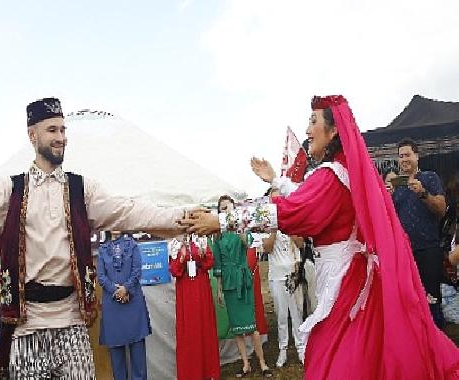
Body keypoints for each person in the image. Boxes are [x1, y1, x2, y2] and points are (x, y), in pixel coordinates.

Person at [182, 95, 459, 379]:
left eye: (313, 121)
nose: (306, 130)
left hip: (343, 280)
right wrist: (276, 181)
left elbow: (291, 211)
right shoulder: (345, 172)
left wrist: (221, 220)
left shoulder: (331, 175)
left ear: (334, 131)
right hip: (351, 274)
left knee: (338, 359)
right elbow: (306, 196)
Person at [0, 97, 186, 379]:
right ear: (33, 135)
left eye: (63, 130)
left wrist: (184, 219)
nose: (61, 137)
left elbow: (128, 211)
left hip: (72, 323)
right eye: (52, 130)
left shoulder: (81, 189)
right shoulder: (12, 189)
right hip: (28, 325)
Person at [388, 139, 447, 328]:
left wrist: (423, 193)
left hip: (428, 251)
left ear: (417, 156)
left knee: (432, 301)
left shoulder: (429, 178)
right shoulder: (396, 186)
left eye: (407, 155)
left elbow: (441, 209)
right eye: (401, 156)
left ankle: (438, 347)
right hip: (404, 256)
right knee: (410, 304)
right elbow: (388, 221)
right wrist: (387, 197)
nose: (404, 159)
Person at [212, 195, 272, 378]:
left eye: (228, 207)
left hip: (242, 278)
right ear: (219, 212)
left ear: (234, 209)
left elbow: (249, 244)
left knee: (251, 325)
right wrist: (220, 289)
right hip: (228, 282)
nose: (226, 210)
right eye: (222, 208)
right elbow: (219, 264)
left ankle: (262, 362)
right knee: (236, 327)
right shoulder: (218, 235)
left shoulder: (243, 227)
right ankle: (245, 364)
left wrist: (239, 228)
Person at [97, 234, 151, 380]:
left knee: (138, 356)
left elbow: (137, 271)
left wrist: (126, 289)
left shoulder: (132, 245)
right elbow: (101, 276)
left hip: (133, 303)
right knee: (116, 358)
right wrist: (117, 292)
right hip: (112, 306)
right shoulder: (103, 249)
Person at [169, 237, 220, 380]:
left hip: (201, 285)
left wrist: (203, 255)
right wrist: (182, 258)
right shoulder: (175, 243)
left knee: (205, 326)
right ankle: (190, 374)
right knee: (189, 330)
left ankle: (209, 372)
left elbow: (210, 263)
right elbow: (174, 270)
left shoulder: (201, 240)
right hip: (185, 289)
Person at [261, 230, 304, 367]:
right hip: (276, 277)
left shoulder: (293, 223)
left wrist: (290, 231)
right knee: (281, 315)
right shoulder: (268, 227)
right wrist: (274, 230)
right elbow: (267, 248)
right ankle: (283, 348)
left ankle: (301, 347)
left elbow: (301, 244)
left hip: (293, 275)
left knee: (297, 313)